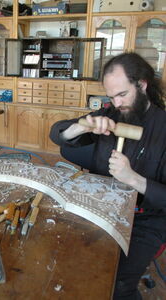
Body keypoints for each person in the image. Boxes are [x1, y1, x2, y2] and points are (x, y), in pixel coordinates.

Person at [50, 52, 166, 299]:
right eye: (111, 97)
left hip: (145, 221)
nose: (116, 103)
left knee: (116, 281)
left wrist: (134, 178)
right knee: (63, 257)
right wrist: (81, 126)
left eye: (122, 95)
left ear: (142, 85)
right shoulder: (110, 116)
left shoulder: (164, 128)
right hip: (101, 207)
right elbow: (58, 135)